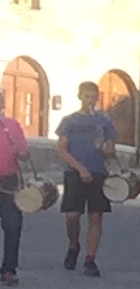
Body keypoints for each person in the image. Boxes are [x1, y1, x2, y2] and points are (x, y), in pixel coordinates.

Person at [55, 82, 116, 278]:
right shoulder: (69, 121)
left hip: (98, 173)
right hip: (74, 173)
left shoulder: (104, 121)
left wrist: (103, 148)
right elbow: (61, 149)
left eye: (93, 96)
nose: (90, 100)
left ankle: (90, 259)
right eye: (87, 96)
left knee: (95, 216)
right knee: (72, 216)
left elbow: (111, 151)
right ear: (80, 97)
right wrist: (80, 168)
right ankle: (73, 245)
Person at [0, 98, 27, 286]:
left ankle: (9, 269)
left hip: (8, 181)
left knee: (13, 225)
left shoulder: (11, 126)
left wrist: (21, 152)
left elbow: (25, 154)